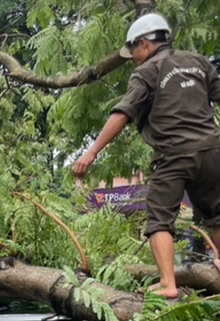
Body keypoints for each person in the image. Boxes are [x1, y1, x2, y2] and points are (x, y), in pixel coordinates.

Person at [72, 12, 220, 297]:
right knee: (217, 213)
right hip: (212, 150)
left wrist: (91, 152)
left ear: (144, 43)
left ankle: (167, 284)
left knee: (159, 218)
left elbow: (123, 112)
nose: (134, 59)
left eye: (134, 52)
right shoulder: (198, 62)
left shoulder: (147, 71)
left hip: (173, 153)